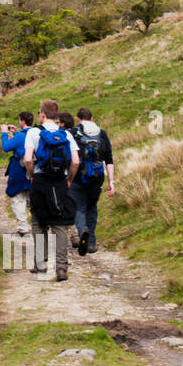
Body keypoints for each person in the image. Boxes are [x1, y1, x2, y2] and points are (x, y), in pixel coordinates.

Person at [22, 98, 79, 280]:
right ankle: (61, 267)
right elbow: (76, 161)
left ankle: (40, 263)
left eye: (39, 113)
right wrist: (69, 178)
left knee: (39, 222)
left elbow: (28, 159)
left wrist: (32, 174)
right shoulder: (66, 134)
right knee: (60, 223)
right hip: (60, 181)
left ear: (43, 114)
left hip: (40, 181)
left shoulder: (33, 133)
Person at [68, 107, 115, 255]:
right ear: (92, 118)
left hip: (78, 176)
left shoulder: (73, 133)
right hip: (97, 176)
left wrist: (68, 177)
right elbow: (109, 160)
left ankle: (83, 231)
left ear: (78, 119)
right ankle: (92, 243)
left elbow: (69, 156)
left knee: (79, 207)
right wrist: (111, 182)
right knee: (92, 207)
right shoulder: (102, 133)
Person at [0, 112, 35, 235]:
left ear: (23, 121)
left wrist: (4, 133)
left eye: (19, 120)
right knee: (33, 199)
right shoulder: (36, 133)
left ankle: (23, 227)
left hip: (19, 170)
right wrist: (15, 133)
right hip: (34, 170)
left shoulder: (20, 136)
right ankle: (38, 225)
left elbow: (6, 147)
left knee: (18, 199)